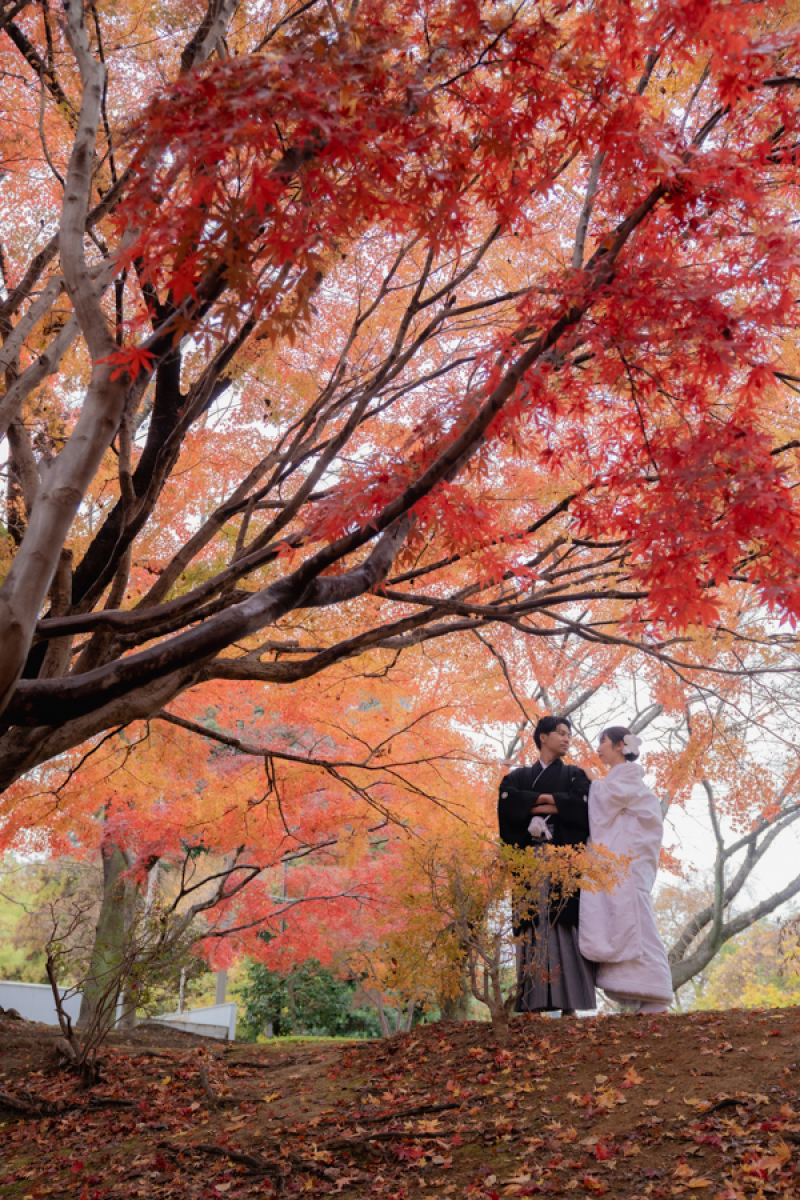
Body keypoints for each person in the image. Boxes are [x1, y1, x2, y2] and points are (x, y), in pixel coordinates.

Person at [498, 714, 595, 1015]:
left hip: (563, 861)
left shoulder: (576, 775)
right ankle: (532, 1005)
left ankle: (571, 1007)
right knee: (531, 923)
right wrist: (556, 801)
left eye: (569, 734)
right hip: (529, 862)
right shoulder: (515, 777)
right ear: (543, 737)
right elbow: (507, 805)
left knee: (564, 922)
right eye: (561, 733)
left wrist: (530, 803)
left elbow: (580, 807)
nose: (567, 739)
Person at [578, 726, 673, 1014]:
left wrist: (592, 781)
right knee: (627, 920)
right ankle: (644, 991)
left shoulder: (628, 776)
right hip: (625, 862)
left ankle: (656, 993)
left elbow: (606, 802)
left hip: (629, 862)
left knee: (637, 919)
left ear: (620, 745)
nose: (598, 748)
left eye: (602, 742)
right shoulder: (619, 779)